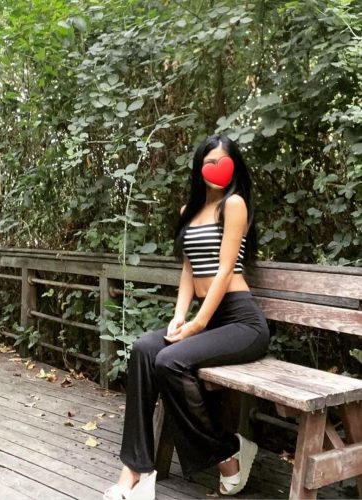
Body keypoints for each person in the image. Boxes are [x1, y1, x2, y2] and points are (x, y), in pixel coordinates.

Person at [103, 135, 271, 500]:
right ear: (199, 167)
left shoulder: (234, 204)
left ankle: (228, 453)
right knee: (144, 349)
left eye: (224, 163)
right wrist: (180, 316)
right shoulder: (188, 212)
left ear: (233, 168)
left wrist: (198, 323)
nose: (217, 169)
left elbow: (225, 271)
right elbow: (188, 272)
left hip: (242, 323)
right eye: (209, 162)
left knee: (170, 361)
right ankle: (136, 468)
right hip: (209, 319)